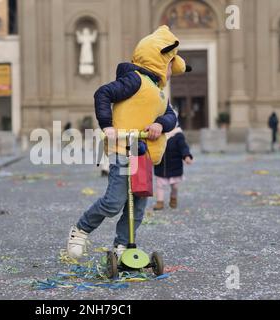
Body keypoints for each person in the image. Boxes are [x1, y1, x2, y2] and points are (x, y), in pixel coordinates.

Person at [66, 25, 192, 259]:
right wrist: (108, 125)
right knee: (114, 202)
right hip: (123, 149)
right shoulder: (135, 80)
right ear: (159, 59)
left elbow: (170, 115)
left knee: (139, 206)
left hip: (144, 155)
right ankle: (80, 230)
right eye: (169, 65)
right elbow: (103, 93)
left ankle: (123, 245)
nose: (170, 72)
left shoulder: (159, 92)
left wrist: (160, 124)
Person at [153, 125, 193, 211]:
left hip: (175, 166)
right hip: (161, 166)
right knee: (159, 185)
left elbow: (183, 147)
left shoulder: (178, 135)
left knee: (175, 186)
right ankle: (160, 202)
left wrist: (186, 156)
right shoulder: (159, 134)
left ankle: (173, 197)